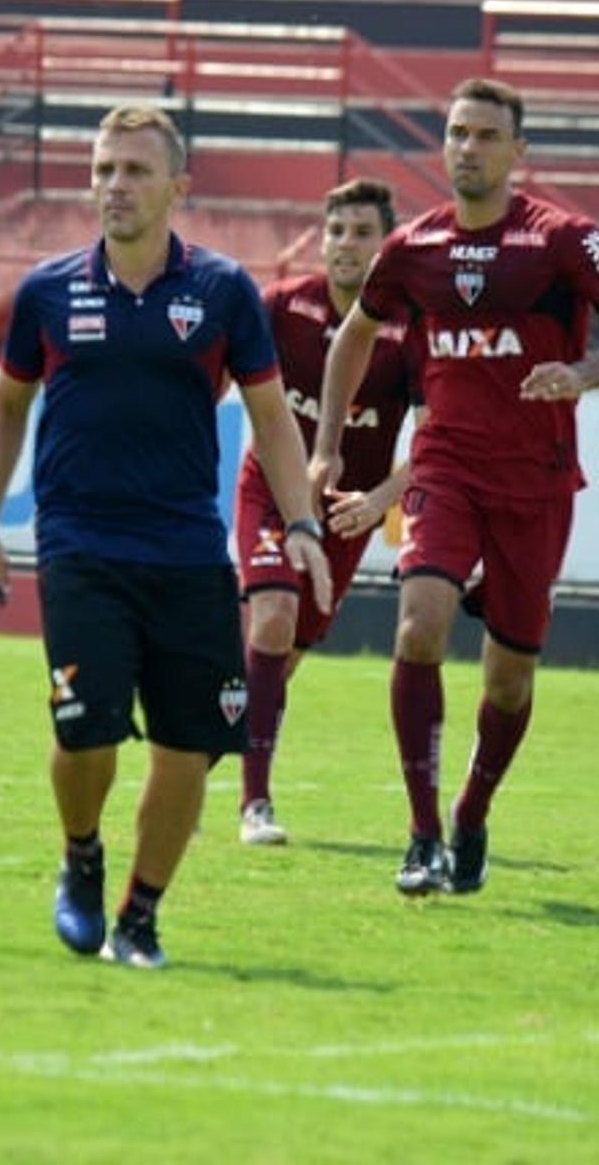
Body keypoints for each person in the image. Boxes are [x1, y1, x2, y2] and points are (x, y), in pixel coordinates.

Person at [0, 105, 331, 969]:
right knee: (85, 730)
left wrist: (301, 521)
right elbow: (7, 407)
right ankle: (82, 854)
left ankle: (140, 914)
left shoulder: (224, 291)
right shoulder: (46, 291)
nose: (114, 185)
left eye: (133, 169)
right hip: (80, 543)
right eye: (102, 169)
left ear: (177, 187)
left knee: (188, 747)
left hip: (190, 552)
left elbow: (272, 417)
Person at [309, 77, 599, 896]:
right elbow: (351, 341)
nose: (467, 147)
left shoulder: (563, 240)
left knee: (509, 679)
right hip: (445, 468)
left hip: (535, 482)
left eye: (485, 135)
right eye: (457, 132)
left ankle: (471, 812)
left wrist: (579, 372)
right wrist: (327, 447)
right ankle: (422, 834)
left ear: (518, 151)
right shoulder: (413, 249)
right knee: (418, 627)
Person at [233, 177, 420, 846]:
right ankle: (254, 804)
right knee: (275, 617)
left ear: (387, 243)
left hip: (348, 513)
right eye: (336, 231)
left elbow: (437, 437)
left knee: (279, 658)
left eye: (362, 232)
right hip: (271, 489)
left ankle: (216, 714)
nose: (346, 244)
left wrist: (379, 500)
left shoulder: (410, 330)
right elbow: (215, 379)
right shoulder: (282, 308)